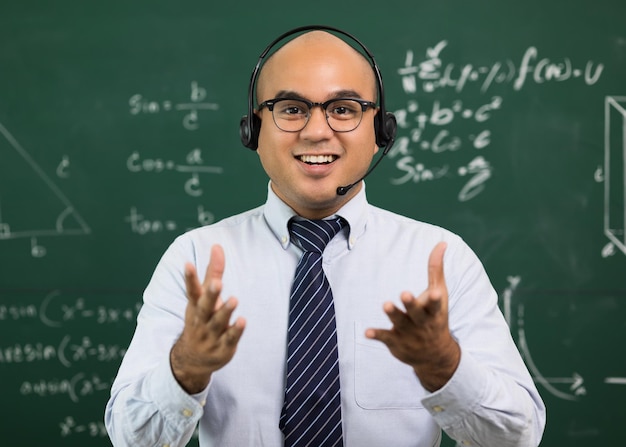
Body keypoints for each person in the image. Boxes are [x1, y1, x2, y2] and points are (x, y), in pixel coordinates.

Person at [105, 25, 546, 447]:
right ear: (254, 130)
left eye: (343, 109)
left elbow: (517, 437)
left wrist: (444, 366)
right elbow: (130, 438)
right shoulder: (195, 259)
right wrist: (186, 368)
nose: (317, 131)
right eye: (291, 109)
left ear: (381, 132)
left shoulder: (442, 259)